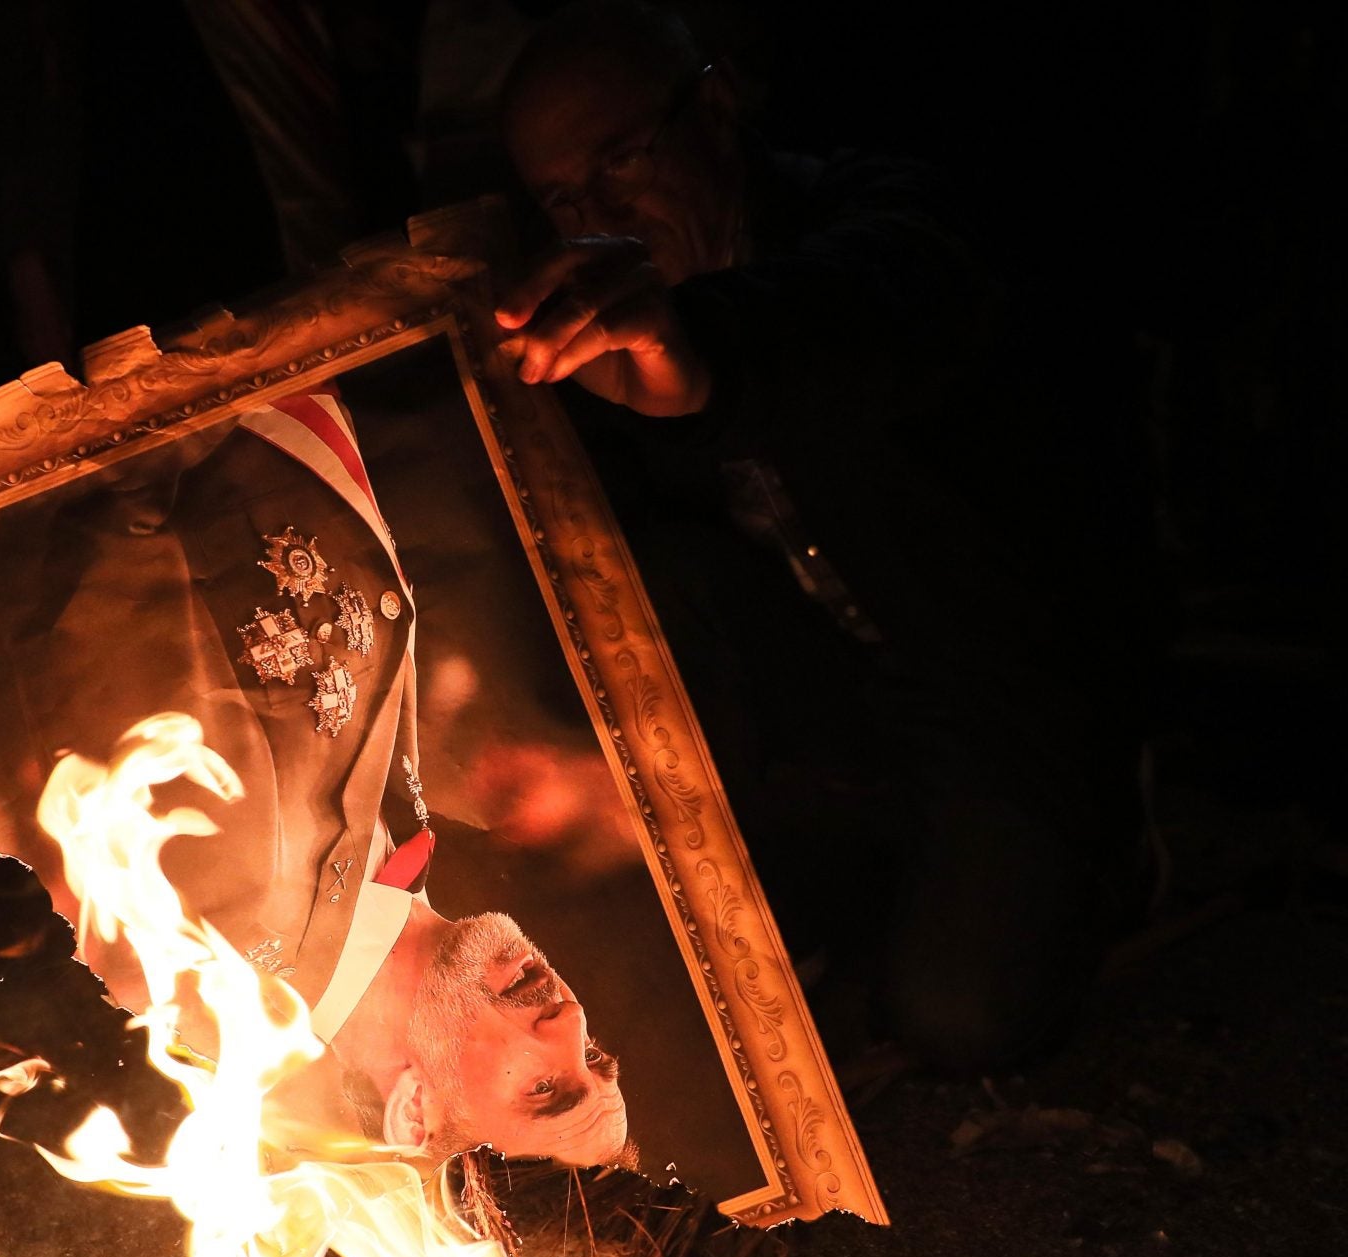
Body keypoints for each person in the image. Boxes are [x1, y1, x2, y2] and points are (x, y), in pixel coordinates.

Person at [492, 0, 1149, 1074]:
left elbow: (861, 312)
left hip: (997, 681)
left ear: (713, 104)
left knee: (960, 1015)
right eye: (565, 199)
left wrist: (699, 359)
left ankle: (1112, 833)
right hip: (833, 695)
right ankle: (859, 857)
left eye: (619, 162)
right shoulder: (591, 324)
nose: (600, 216)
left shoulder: (886, 220)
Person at [0, 386, 630, 1168]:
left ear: (414, 1111)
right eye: (594, 1057)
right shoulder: (387, 854)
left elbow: (74, 513)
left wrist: (241, 356)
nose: (568, 1022)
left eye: (545, 1090)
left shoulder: (227, 912)